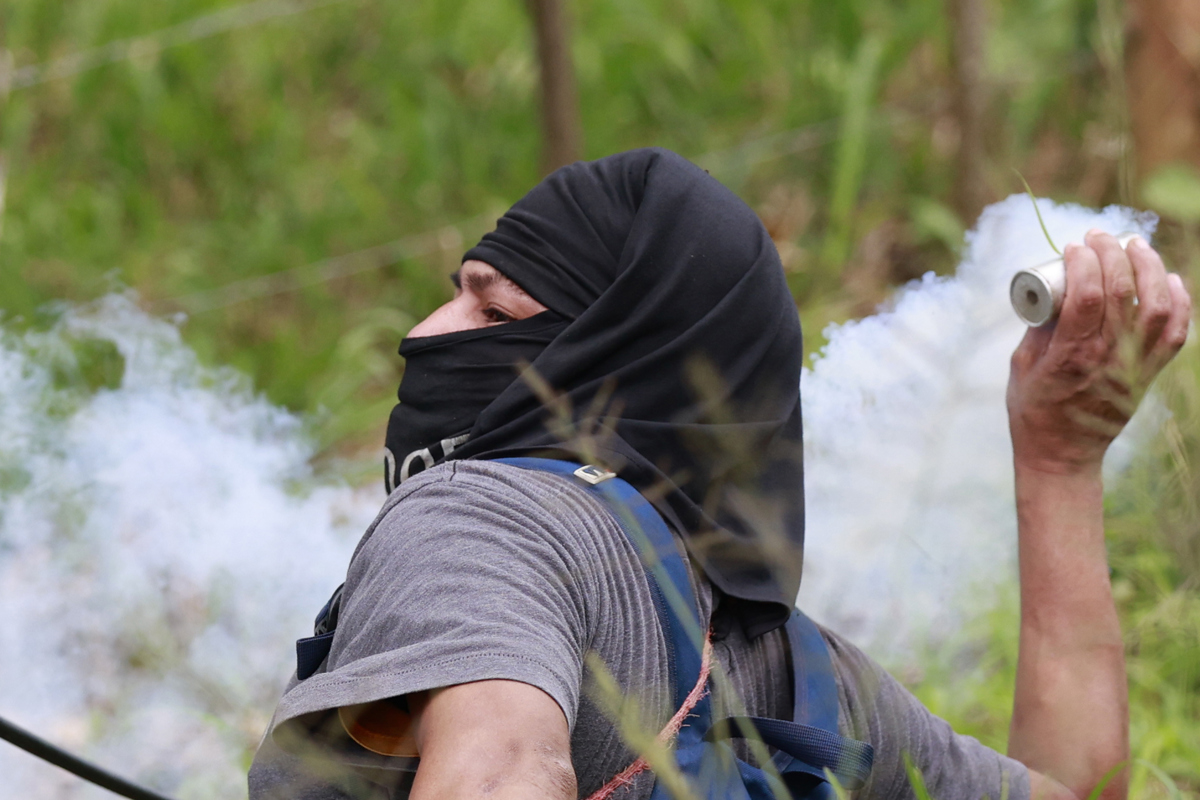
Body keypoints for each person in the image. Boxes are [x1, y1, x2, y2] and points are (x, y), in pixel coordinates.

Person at [248, 148, 1192, 800]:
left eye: (492, 316)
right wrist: (1062, 461)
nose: (424, 336)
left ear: (609, 363)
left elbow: (500, 774)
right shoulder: (801, 682)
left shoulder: (482, 516)